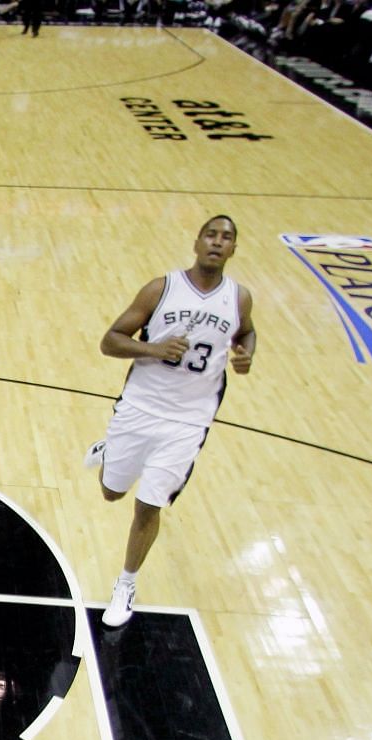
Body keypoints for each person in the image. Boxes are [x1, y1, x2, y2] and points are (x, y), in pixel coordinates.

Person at [88, 214, 254, 628]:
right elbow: (110, 341)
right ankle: (110, 451)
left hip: (188, 421)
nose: (218, 242)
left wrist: (247, 353)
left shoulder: (239, 298)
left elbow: (246, 332)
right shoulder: (161, 289)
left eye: (227, 238)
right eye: (211, 235)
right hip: (141, 407)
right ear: (197, 242)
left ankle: (126, 584)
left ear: (234, 249)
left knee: (150, 504)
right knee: (112, 493)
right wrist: (154, 350)